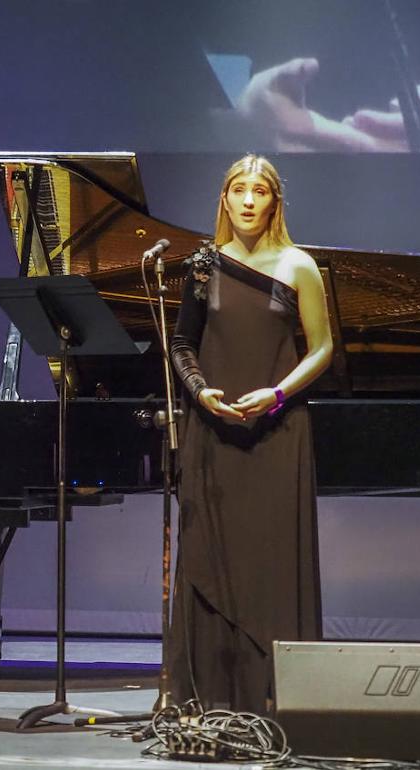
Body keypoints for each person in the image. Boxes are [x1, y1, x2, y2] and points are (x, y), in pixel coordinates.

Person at [167, 155, 333, 714]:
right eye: (238, 189)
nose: (247, 200)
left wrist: (278, 394)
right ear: (224, 198)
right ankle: (206, 702)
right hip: (212, 432)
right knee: (209, 556)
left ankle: (275, 703)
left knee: (271, 564)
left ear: (273, 201)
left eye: (259, 191)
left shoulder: (299, 266)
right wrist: (199, 392)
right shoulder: (202, 265)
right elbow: (181, 343)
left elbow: (324, 348)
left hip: (278, 433)